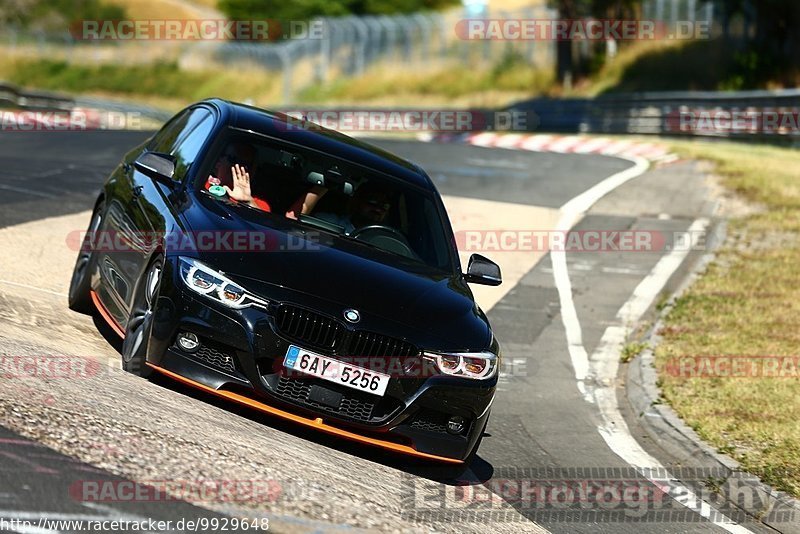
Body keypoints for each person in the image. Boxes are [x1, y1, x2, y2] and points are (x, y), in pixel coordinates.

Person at [206, 141, 272, 212]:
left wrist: (248, 202)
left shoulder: (259, 205)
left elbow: (261, 221)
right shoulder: (200, 183)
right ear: (218, 162)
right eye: (234, 159)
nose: (239, 167)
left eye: (246, 165)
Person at [314, 182, 392, 235]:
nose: (378, 209)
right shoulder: (328, 222)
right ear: (357, 201)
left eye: (384, 206)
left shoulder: (386, 242)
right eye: (372, 202)